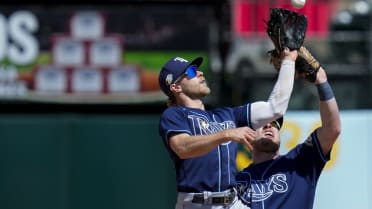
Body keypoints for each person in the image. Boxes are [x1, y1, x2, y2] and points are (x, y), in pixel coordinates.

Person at [158, 48, 298, 209]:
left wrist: (289, 60)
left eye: (198, 70)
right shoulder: (174, 115)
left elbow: (275, 109)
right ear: (176, 88)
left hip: (232, 202)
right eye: (190, 72)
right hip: (197, 204)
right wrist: (226, 134)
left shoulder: (226, 114)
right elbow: (182, 147)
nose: (200, 73)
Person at [235, 64, 341, 209]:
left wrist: (322, 82)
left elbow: (332, 129)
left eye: (275, 124)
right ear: (246, 133)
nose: (269, 126)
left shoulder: (298, 162)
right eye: (262, 122)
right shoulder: (237, 182)